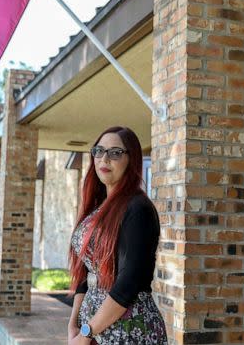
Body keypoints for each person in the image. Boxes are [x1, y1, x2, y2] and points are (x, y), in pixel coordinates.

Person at [67, 126, 168, 345]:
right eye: (99, 151)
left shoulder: (138, 209)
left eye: (115, 153)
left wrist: (86, 333)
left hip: (130, 329)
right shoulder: (98, 209)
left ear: (131, 161)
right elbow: (88, 272)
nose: (104, 159)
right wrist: (74, 323)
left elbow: (128, 284)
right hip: (94, 327)